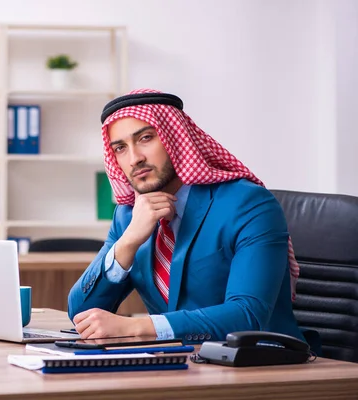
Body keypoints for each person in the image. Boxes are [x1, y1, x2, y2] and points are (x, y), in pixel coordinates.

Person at [67, 88, 306, 345]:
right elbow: (80, 313)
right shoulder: (128, 215)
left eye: (146, 138)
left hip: (264, 366)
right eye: (121, 148)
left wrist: (137, 326)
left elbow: (248, 315)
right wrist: (128, 242)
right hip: (180, 366)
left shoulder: (248, 204)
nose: (135, 158)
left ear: (176, 138)